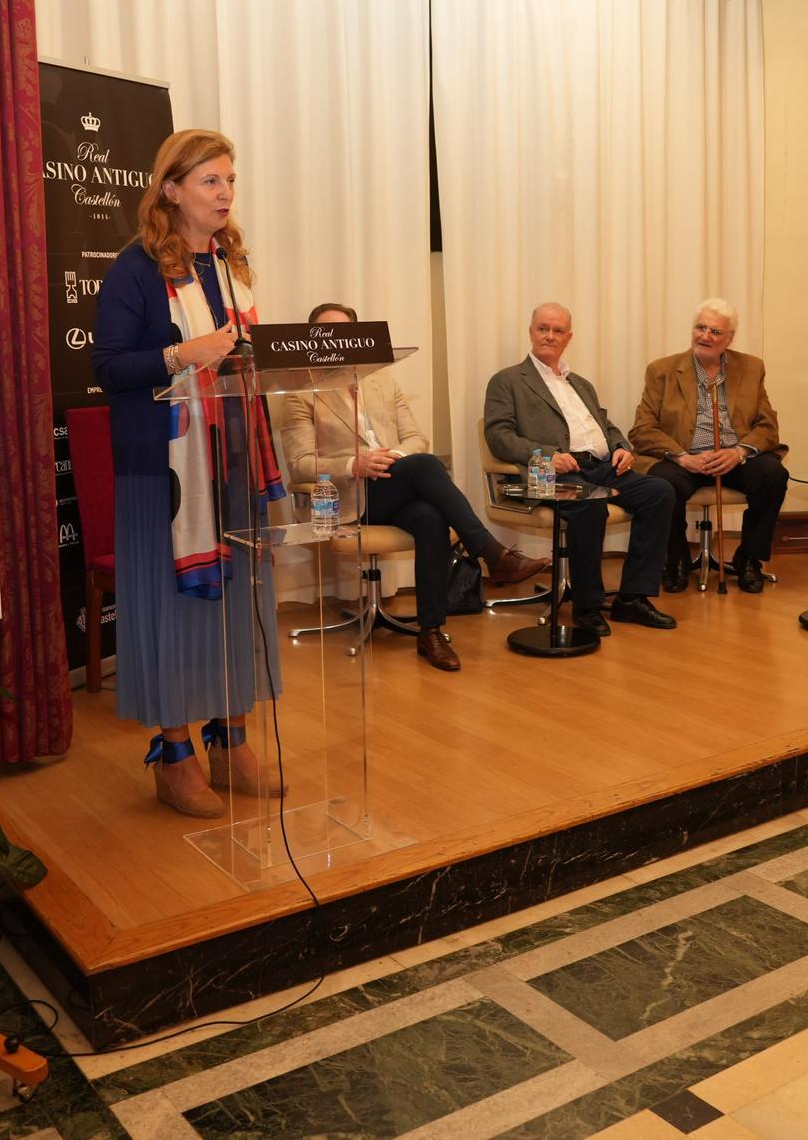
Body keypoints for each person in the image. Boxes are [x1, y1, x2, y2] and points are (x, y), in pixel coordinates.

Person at [93, 129, 288, 818]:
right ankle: (173, 755)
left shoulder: (230, 267)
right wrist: (183, 354)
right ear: (170, 189)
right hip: (167, 478)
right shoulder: (136, 269)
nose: (225, 193)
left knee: (238, 608)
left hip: (235, 467)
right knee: (174, 614)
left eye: (230, 180)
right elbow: (109, 369)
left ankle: (231, 738)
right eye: (210, 181)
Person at [280, 303, 548, 672]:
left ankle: (430, 630)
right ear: (312, 340)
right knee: (425, 467)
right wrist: (354, 464)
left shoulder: (383, 382)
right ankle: (491, 553)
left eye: (344, 332)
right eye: (326, 333)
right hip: (347, 494)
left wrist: (394, 457)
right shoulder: (301, 392)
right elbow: (300, 462)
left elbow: (416, 438)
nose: (336, 340)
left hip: (395, 481)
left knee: (429, 515)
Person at [483, 303, 677, 635]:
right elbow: (498, 435)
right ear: (531, 332)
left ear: (568, 338)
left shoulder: (581, 383)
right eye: (543, 328)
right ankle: (587, 606)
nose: (550, 336)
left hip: (602, 467)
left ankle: (632, 598)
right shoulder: (508, 380)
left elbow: (607, 425)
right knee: (590, 504)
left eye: (558, 331)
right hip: (553, 473)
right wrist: (547, 455)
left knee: (660, 492)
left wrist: (620, 448)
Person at [628, 298, 788, 594]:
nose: (705, 336)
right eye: (700, 328)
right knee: (661, 484)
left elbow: (768, 427)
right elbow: (642, 429)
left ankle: (749, 558)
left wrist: (738, 453)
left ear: (729, 338)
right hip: (685, 460)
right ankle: (674, 560)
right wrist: (682, 457)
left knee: (773, 475)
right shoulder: (662, 371)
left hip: (733, 457)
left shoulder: (751, 368)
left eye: (715, 331)